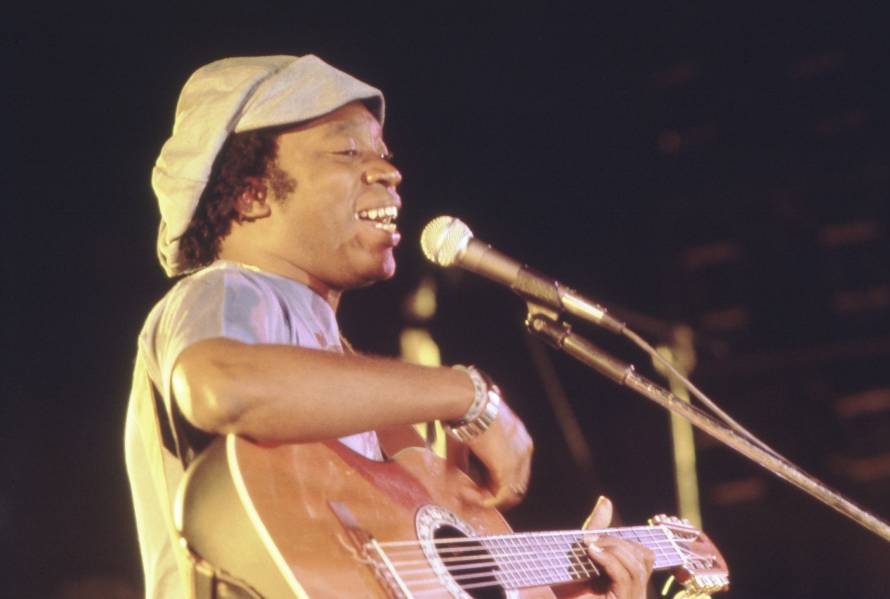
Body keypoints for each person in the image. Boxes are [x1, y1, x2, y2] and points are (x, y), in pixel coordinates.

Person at [125, 54, 655, 599]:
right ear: (251, 194)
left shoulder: (349, 383)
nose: (389, 171)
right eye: (347, 151)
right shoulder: (228, 289)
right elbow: (220, 386)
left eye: (383, 154)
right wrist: (466, 394)